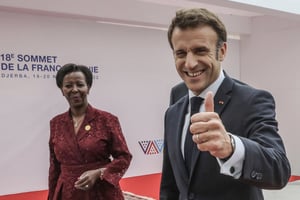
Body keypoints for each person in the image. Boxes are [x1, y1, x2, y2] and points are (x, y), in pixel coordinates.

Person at [160, 8, 291, 200]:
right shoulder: (173, 111)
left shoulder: (251, 100)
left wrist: (231, 147)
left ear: (222, 51)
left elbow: (279, 170)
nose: (189, 63)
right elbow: (170, 184)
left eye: (200, 50)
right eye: (180, 53)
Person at [48, 63, 132, 200]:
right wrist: (52, 196)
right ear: (62, 90)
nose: (74, 90)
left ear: (88, 88)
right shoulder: (56, 123)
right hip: (67, 193)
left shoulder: (107, 120)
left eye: (80, 84)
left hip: (101, 192)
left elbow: (124, 157)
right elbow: (54, 167)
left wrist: (100, 172)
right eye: (68, 86)